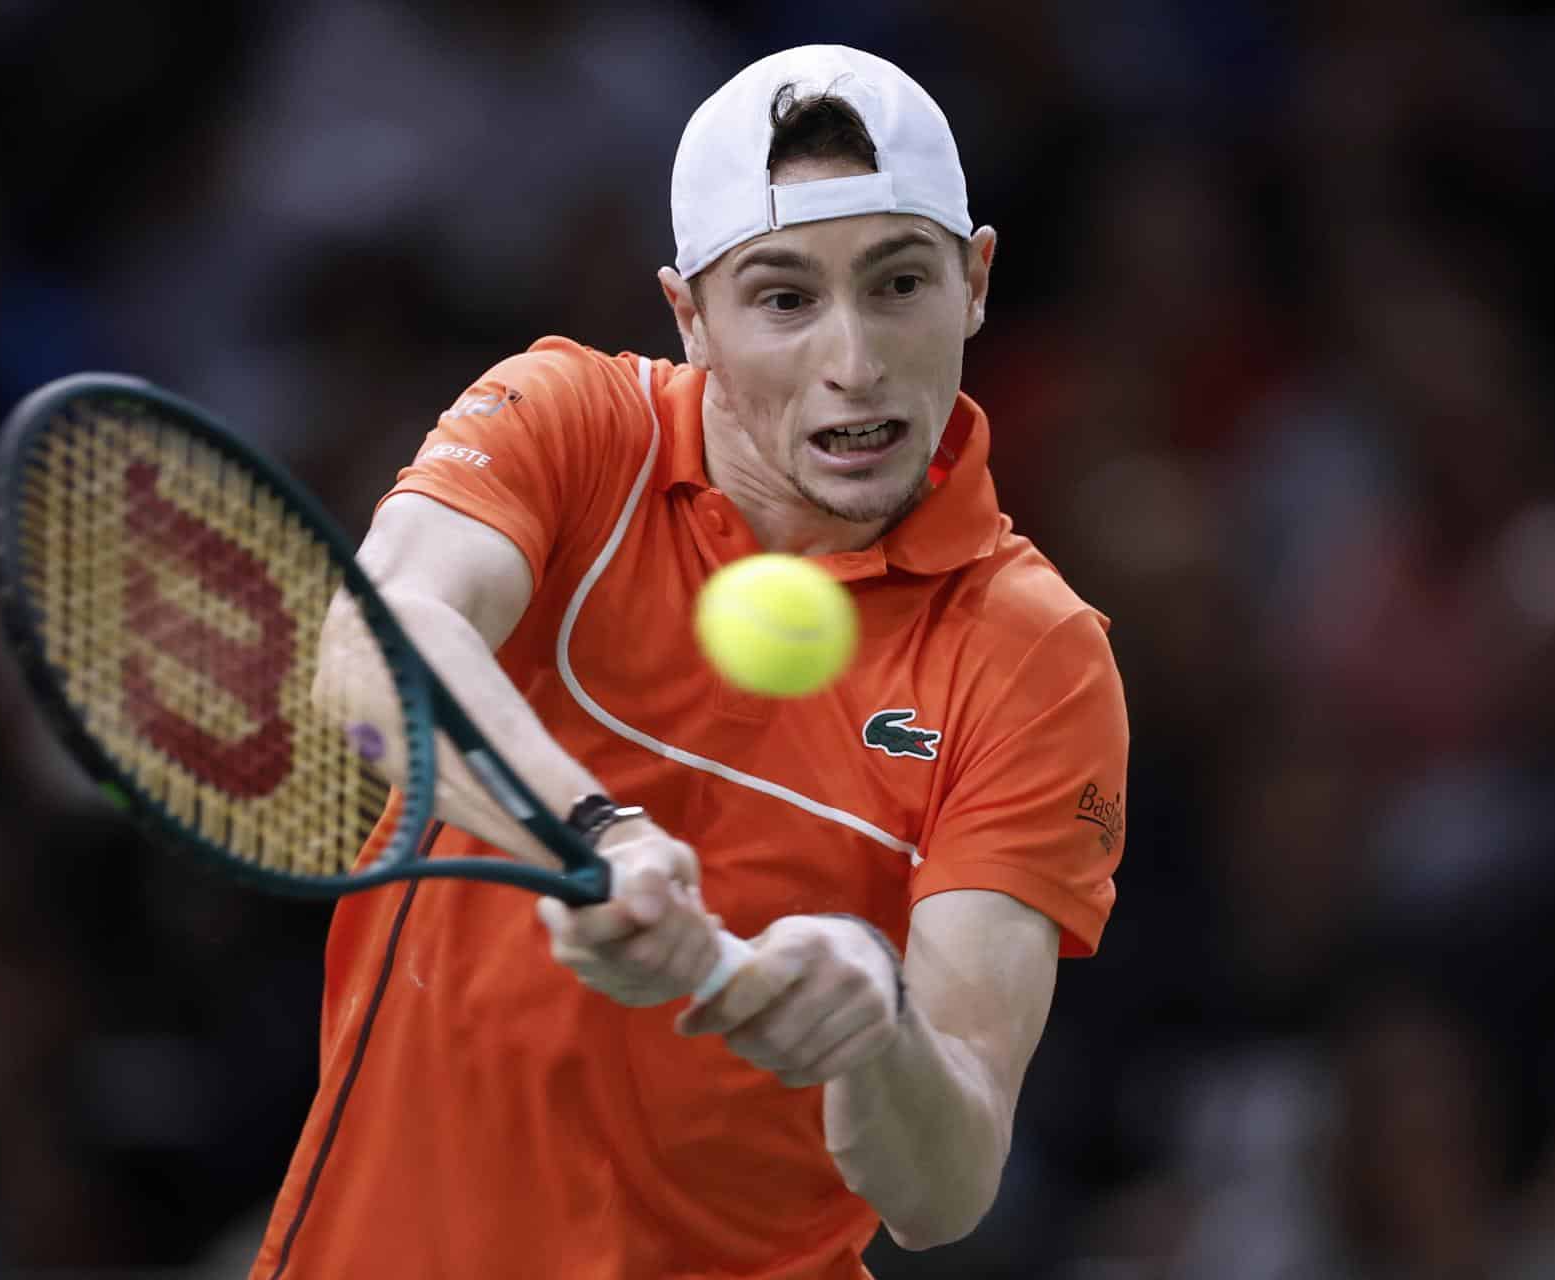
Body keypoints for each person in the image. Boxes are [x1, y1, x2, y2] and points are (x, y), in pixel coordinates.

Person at [250, 44, 1129, 1280]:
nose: (856, 360)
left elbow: (948, 1180)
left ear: (976, 280)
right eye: (783, 298)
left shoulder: (1035, 655)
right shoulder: (572, 425)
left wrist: (873, 1025)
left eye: (899, 283)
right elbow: (371, 648)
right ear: (688, 314)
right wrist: (595, 835)